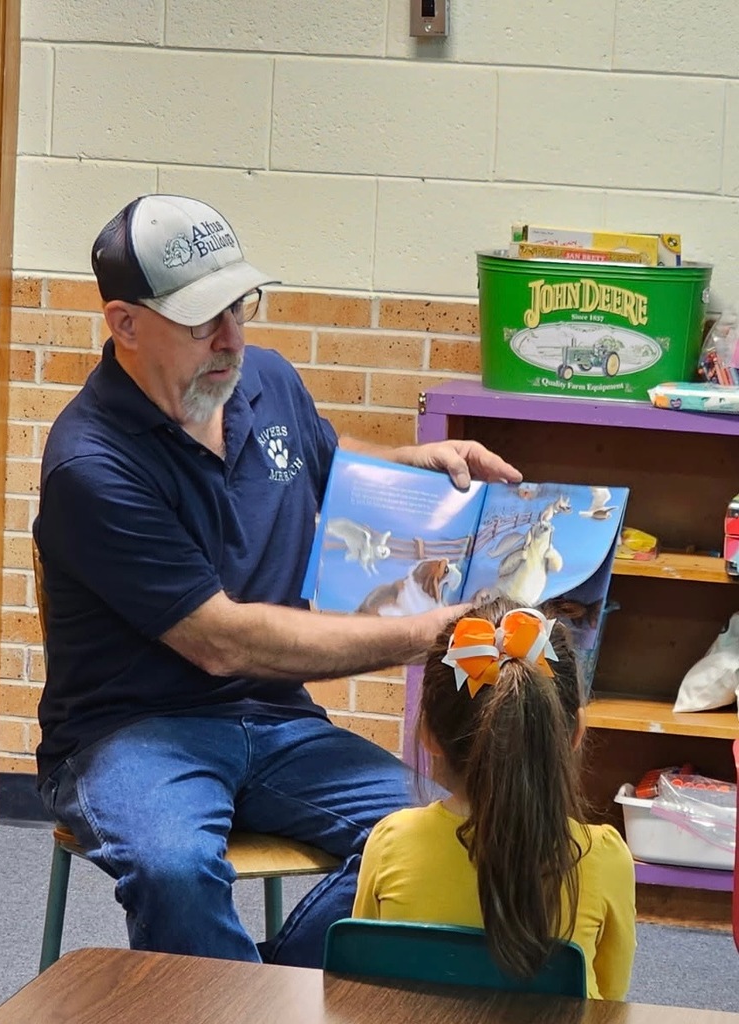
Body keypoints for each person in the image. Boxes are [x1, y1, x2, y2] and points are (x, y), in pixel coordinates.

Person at [33, 192, 522, 967]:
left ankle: (255, 989)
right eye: (202, 320)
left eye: (241, 305)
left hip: (276, 722)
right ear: (125, 324)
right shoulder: (91, 464)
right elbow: (223, 641)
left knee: (452, 835)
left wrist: (419, 461)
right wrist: (429, 635)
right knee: (176, 872)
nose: (232, 338)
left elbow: (322, 460)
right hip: (130, 732)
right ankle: (234, 994)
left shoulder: (265, 381)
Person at [352, 598, 637, 998]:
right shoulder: (604, 858)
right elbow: (610, 1002)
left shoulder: (391, 842)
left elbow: (368, 983)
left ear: (429, 735)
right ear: (575, 734)